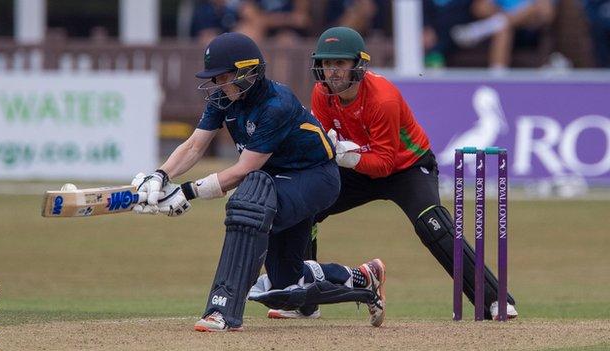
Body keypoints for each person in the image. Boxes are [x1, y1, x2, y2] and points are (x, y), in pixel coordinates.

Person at [131, 32, 386, 331]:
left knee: (247, 206)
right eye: (215, 78)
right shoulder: (224, 98)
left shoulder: (275, 105)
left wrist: (187, 192)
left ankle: (222, 310)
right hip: (276, 181)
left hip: (316, 178)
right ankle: (363, 279)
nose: (218, 84)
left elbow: (243, 169)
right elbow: (194, 146)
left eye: (224, 76)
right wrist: (160, 176)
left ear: (248, 71)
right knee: (286, 282)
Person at [267, 26, 518, 321]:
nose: (332, 71)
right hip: (357, 167)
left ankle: (494, 301)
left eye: (340, 63)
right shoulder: (322, 94)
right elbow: (326, 146)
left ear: (357, 65)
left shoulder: (382, 99)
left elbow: (385, 164)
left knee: (432, 223)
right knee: (303, 208)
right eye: (326, 63)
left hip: (407, 167)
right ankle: (305, 300)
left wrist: (344, 156)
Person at [451, 0, 555, 68]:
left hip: (528, 30)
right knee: (503, 28)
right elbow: (479, 8)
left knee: (534, 8)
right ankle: (498, 78)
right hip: (503, 28)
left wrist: (521, 15)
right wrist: (503, 14)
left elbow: (547, 14)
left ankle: (483, 29)